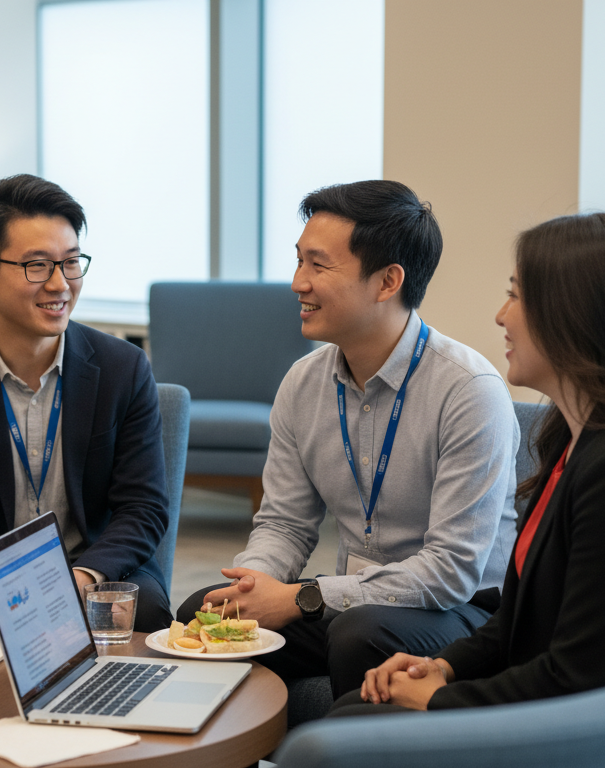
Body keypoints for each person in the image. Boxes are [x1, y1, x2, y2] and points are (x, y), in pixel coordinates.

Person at [334, 212, 605, 716]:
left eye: (517, 295)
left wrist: (440, 699)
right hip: (566, 705)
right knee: (351, 714)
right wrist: (442, 667)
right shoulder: (574, 438)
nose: (501, 315)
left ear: (575, 315)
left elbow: (578, 677)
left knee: (348, 725)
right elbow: (518, 619)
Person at [177, 180, 519, 700]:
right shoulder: (304, 382)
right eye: (298, 262)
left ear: (387, 282)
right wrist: (249, 587)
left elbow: (451, 570)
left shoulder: (469, 392)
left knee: (360, 634)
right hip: (352, 604)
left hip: (458, 611)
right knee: (202, 612)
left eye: (318, 265)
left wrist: (301, 598)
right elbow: (285, 524)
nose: (298, 282)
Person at [0, 174, 171, 635]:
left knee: (146, 612)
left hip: (92, 567)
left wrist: (83, 578)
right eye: (37, 266)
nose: (60, 284)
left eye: (71, 262)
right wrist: (2, 583)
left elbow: (143, 506)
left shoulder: (124, 368)